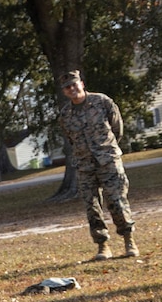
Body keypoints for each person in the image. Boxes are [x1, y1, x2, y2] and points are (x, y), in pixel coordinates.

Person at [58, 70, 138, 260]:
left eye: (74, 84)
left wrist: (107, 150)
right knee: (91, 206)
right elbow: (70, 139)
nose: (71, 89)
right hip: (84, 165)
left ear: (82, 84)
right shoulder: (65, 115)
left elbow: (117, 128)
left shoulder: (102, 102)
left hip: (108, 161)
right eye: (67, 87)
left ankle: (129, 242)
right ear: (64, 91)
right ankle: (102, 246)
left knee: (116, 201)